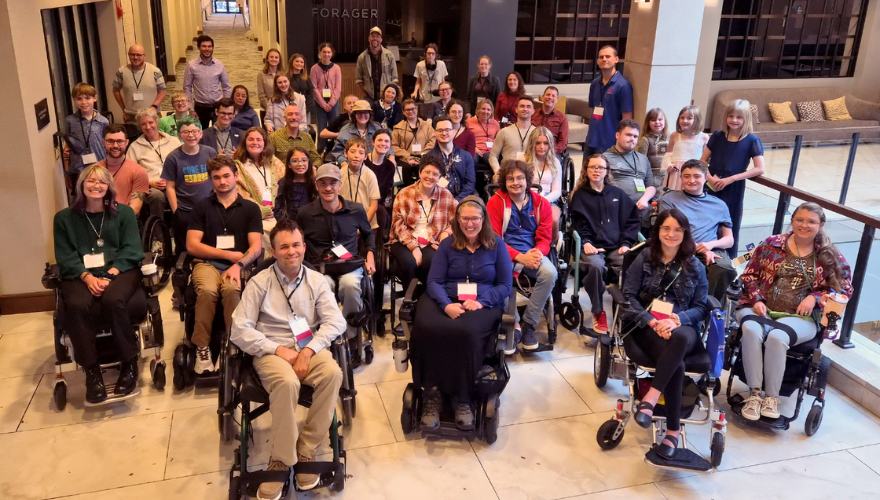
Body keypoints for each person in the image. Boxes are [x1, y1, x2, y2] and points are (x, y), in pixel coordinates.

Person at [230, 219, 345, 497]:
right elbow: (239, 328)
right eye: (284, 247)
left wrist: (307, 351)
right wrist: (278, 350)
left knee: (333, 373)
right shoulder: (259, 283)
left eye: (296, 245)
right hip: (272, 350)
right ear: (274, 250)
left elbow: (335, 322)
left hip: (308, 347)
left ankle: (306, 449)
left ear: (304, 247)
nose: (291, 251)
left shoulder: (317, 281)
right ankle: (281, 458)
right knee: (287, 383)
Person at [737, 203, 853, 421]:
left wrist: (815, 297)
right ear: (792, 220)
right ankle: (754, 394)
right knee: (751, 330)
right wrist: (757, 299)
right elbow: (749, 274)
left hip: (802, 318)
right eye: (800, 219)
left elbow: (845, 288)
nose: (804, 225)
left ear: (821, 225)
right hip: (760, 309)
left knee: (777, 337)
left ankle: (771, 397)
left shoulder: (829, 255)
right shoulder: (772, 244)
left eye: (811, 221)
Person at [413, 196, 512, 430]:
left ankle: (463, 397)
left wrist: (481, 302)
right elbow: (434, 280)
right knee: (426, 327)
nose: (469, 224)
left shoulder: (497, 244)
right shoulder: (448, 244)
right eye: (464, 218)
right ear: (457, 220)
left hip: (482, 303)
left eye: (474, 218)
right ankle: (432, 393)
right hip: (446, 298)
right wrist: (446, 304)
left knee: (465, 332)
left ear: (483, 219)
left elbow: (506, 285)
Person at [53, 164, 145, 403]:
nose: (96, 186)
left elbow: (133, 249)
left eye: (102, 182)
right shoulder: (63, 219)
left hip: (120, 270)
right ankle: (92, 372)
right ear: (81, 186)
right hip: (81, 274)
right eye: (90, 181)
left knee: (114, 299)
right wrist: (87, 277)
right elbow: (65, 256)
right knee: (77, 304)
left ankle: (129, 363)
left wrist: (110, 274)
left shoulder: (123, 214)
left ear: (109, 188)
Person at [627, 208, 710, 460]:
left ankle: (652, 396)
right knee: (677, 361)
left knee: (682, 337)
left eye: (677, 229)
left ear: (685, 233)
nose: (671, 234)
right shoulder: (644, 257)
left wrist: (677, 320)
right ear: (658, 231)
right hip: (647, 325)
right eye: (666, 228)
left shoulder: (695, 265)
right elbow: (628, 297)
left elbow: (701, 306)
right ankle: (673, 431)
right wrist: (653, 322)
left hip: (682, 325)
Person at [186, 155, 262, 374]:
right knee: (208, 290)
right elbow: (192, 245)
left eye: (227, 176)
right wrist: (228, 256)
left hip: (238, 266)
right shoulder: (202, 207)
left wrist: (238, 265)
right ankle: (202, 347)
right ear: (211, 180)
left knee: (231, 290)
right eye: (216, 177)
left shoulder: (250, 208)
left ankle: (232, 343)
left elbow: (256, 247)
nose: (222, 181)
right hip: (207, 264)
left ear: (236, 176)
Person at [295, 164, 376, 350]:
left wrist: (370, 257)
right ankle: (328, 334)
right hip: (319, 267)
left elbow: (368, 234)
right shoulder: (305, 213)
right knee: (325, 286)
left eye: (333, 183)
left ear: (340, 185)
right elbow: (298, 241)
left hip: (350, 265)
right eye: (322, 183)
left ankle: (351, 336)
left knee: (350, 285)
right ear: (316, 185)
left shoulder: (356, 210)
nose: (328, 188)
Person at [487, 160, 556, 352]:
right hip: (504, 253)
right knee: (500, 272)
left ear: (527, 180)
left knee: (550, 273)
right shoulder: (495, 202)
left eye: (520, 178)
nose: (515, 182)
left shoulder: (542, 203)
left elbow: (545, 238)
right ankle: (514, 324)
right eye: (510, 179)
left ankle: (528, 324)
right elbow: (494, 239)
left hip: (533, 253)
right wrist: (519, 257)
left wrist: (536, 254)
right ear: (504, 181)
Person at [569, 154, 640, 333]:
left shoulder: (617, 194)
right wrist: (585, 242)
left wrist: (626, 243)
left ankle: (628, 310)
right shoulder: (580, 195)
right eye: (592, 167)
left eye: (600, 167)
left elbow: (632, 220)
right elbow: (577, 224)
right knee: (595, 267)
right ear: (586, 170)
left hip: (617, 246)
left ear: (607, 171)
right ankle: (598, 311)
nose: (596, 171)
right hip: (592, 246)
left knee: (632, 266)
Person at [658, 160, 737, 302]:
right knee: (690, 267)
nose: (691, 180)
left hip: (710, 248)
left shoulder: (719, 205)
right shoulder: (669, 199)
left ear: (706, 178)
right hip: (678, 246)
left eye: (697, 176)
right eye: (686, 176)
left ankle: (707, 308)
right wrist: (697, 248)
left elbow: (729, 240)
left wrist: (710, 245)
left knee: (724, 268)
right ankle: (698, 309)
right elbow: (667, 230)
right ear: (681, 177)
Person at [702, 99, 765, 257]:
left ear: (746, 119)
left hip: (733, 189)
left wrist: (731, 179)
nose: (734, 120)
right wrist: (709, 178)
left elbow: (760, 168)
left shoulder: (752, 141)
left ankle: (727, 261)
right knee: (707, 220)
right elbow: (702, 161)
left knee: (730, 223)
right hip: (711, 185)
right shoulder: (717, 136)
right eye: (731, 116)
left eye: (739, 117)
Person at [389, 155, 457, 291]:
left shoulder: (446, 195)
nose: (430, 176)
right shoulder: (404, 193)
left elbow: (456, 221)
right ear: (420, 172)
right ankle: (410, 301)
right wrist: (414, 247)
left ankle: (427, 300)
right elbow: (398, 225)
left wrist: (446, 232)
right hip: (403, 239)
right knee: (409, 262)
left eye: (435, 174)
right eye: (426, 172)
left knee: (431, 262)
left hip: (431, 241)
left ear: (439, 178)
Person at [162, 116, 217, 256]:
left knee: (209, 241)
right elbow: (170, 187)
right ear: (179, 136)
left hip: (208, 206)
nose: (191, 135)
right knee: (184, 245)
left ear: (201, 134)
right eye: (186, 132)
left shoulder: (210, 153)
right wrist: (176, 211)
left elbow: (216, 178)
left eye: (194, 131)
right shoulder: (173, 158)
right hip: (185, 209)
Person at [234, 126, 286, 254]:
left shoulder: (274, 162)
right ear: (245, 142)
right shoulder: (238, 165)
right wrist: (261, 211)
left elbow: (285, 186)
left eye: (259, 139)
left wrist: (277, 208)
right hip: (255, 214)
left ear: (265, 143)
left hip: (277, 212)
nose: (255, 143)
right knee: (264, 229)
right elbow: (240, 193)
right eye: (251, 139)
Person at [127, 108, 179, 216]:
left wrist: (172, 181)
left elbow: (183, 164)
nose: (148, 127)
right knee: (156, 196)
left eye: (151, 122)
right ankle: (158, 230)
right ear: (139, 127)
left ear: (157, 122)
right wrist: (149, 182)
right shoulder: (135, 146)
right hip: (150, 186)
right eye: (143, 124)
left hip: (174, 183)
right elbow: (130, 173)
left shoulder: (174, 142)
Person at [585, 45, 634, 157]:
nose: (604, 59)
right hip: (591, 139)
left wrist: (622, 142)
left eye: (608, 56)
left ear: (616, 59)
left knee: (603, 174)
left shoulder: (623, 85)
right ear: (597, 61)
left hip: (609, 142)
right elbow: (593, 110)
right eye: (601, 57)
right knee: (586, 173)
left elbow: (627, 118)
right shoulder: (595, 83)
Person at [94, 124, 150, 217]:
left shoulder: (138, 171)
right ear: (103, 143)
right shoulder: (94, 170)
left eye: (120, 141)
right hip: (98, 217)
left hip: (124, 219)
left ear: (127, 142)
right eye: (110, 141)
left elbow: (135, 207)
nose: (115, 146)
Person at [112, 44, 166, 138]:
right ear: (128, 55)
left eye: (138, 55)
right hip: (131, 116)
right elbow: (115, 90)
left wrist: (154, 107)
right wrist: (124, 108)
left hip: (152, 114)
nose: (135, 57)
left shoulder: (155, 71)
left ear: (144, 55)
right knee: (134, 142)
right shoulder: (121, 72)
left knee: (154, 140)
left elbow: (162, 92)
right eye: (132, 55)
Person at [604, 119, 656, 214]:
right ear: (617, 135)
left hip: (641, 208)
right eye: (628, 135)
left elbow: (651, 186)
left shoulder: (643, 159)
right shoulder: (604, 158)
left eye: (635, 136)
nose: (632, 139)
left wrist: (644, 199)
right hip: (616, 208)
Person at [183, 35, 232, 129]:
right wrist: (190, 108)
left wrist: (226, 105)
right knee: (200, 135)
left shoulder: (219, 65)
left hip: (217, 106)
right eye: (204, 46)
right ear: (198, 48)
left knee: (219, 133)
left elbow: (226, 87)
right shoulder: (191, 66)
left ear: (213, 48)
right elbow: (187, 87)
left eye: (209, 46)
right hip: (200, 108)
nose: (207, 49)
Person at [63, 83, 109, 180]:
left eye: (87, 98)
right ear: (74, 100)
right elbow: (67, 146)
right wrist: (67, 171)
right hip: (78, 168)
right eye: (79, 99)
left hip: (99, 166)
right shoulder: (70, 121)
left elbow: (107, 144)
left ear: (95, 98)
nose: (83, 102)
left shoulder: (103, 121)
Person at [424, 115, 476, 201]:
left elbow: (470, 183)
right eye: (440, 130)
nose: (444, 133)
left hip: (461, 202)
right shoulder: (428, 158)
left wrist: (456, 201)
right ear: (435, 133)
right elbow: (427, 184)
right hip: (436, 200)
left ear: (454, 131)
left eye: (447, 130)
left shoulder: (466, 156)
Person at [339, 137, 381, 230]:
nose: (356, 156)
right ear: (345, 153)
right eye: (352, 151)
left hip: (366, 223)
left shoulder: (370, 175)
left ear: (366, 156)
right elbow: (337, 201)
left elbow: (373, 206)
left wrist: (362, 226)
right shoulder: (340, 174)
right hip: (345, 223)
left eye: (361, 153)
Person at [664, 105, 709, 191]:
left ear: (696, 120)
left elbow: (705, 159)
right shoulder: (674, 135)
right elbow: (668, 154)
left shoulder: (704, 137)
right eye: (682, 118)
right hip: (676, 173)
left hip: (694, 173)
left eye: (689, 118)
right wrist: (668, 164)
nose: (684, 121)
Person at [392, 99, 436, 185]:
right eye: (407, 110)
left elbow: (432, 140)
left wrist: (422, 154)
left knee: (423, 168)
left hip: (423, 156)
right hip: (404, 158)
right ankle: (407, 192)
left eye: (413, 109)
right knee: (406, 168)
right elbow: (394, 145)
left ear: (417, 109)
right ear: (403, 112)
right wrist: (409, 158)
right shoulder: (397, 128)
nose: (410, 111)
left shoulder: (427, 126)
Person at [488, 95, 535, 174]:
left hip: (530, 174)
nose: (525, 109)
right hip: (507, 174)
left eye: (528, 107)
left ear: (533, 111)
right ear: (516, 110)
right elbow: (493, 156)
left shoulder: (537, 133)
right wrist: (497, 171)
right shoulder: (504, 132)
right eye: (522, 106)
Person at [523, 127, 563, 216]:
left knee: (554, 219)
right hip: (526, 197)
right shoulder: (523, 160)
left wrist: (545, 200)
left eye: (546, 143)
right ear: (532, 144)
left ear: (550, 144)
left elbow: (557, 190)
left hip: (548, 198)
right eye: (538, 143)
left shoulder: (555, 162)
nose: (542, 147)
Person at [311, 43, 342, 152]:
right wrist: (324, 104)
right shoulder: (314, 68)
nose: (326, 54)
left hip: (333, 103)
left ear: (332, 53)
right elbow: (314, 87)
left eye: (328, 52)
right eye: (324, 52)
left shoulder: (336, 68)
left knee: (335, 128)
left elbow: (338, 87)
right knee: (321, 129)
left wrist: (331, 103)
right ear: (319, 53)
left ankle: (334, 151)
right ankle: (319, 153)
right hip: (320, 104)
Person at [355, 27, 399, 104]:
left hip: (386, 97)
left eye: (377, 36)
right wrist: (364, 93)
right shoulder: (362, 57)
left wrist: (390, 94)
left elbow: (394, 78)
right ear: (369, 38)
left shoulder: (389, 55)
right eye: (373, 36)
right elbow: (359, 79)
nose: (375, 38)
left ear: (381, 39)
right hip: (369, 97)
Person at [274, 147, 318, 222]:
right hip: (289, 224)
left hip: (311, 222)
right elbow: (278, 208)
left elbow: (318, 207)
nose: (300, 164)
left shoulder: (315, 182)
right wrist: (287, 225)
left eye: (304, 160)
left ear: (309, 162)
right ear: (289, 165)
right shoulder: (284, 183)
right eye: (295, 161)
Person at [531, 86, 569, 158]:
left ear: (557, 100)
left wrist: (550, 151)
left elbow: (563, 143)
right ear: (542, 97)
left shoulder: (562, 118)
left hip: (552, 152)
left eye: (553, 96)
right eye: (548, 95)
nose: (550, 97)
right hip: (533, 150)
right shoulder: (533, 114)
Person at [636, 108, 669, 187]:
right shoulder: (646, 139)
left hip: (667, 175)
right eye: (653, 120)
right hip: (653, 176)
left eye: (660, 119)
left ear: (665, 121)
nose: (657, 122)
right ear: (648, 123)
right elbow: (641, 160)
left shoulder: (670, 138)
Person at [365, 129, 397, 210]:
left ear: (390, 145)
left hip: (378, 205)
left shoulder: (390, 166)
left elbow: (386, 192)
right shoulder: (363, 162)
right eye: (379, 140)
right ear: (373, 142)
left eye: (386, 141)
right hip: (361, 203)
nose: (383, 143)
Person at [466, 99, 501, 164]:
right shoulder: (469, 122)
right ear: (478, 110)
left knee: (494, 161)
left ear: (491, 112)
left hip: (490, 151)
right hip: (474, 149)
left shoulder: (495, 123)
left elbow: (499, 139)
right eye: (483, 109)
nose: (486, 112)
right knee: (471, 160)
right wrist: (473, 148)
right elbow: (464, 139)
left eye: (488, 110)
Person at [287, 53, 315, 127]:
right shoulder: (286, 77)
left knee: (304, 130)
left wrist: (306, 109)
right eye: (297, 61)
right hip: (290, 109)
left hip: (305, 109)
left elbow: (310, 94)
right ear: (291, 62)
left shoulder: (307, 78)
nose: (299, 63)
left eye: (301, 62)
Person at [257, 48, 284, 124]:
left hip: (281, 110)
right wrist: (270, 108)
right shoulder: (261, 74)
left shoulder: (283, 74)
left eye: (276, 57)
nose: (274, 59)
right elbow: (261, 95)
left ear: (279, 60)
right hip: (266, 110)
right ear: (267, 59)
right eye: (271, 57)